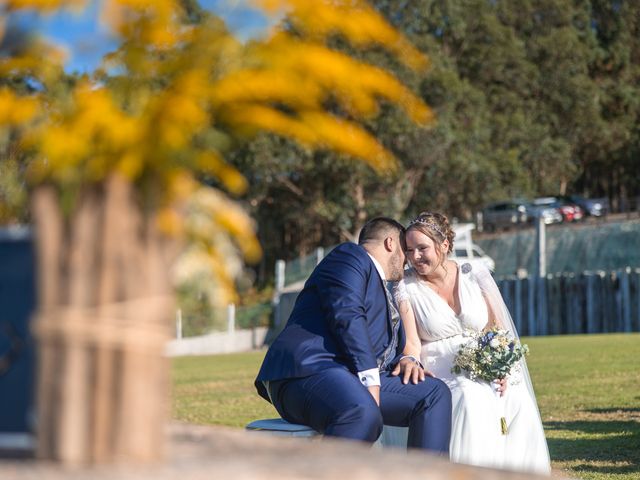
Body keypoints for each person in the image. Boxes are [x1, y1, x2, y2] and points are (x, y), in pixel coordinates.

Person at [255, 217, 452, 453]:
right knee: (361, 413)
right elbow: (347, 314)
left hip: (352, 378)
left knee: (433, 393)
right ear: (390, 243)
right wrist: (371, 381)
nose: (409, 260)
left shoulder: (385, 288)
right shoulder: (350, 257)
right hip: (308, 372)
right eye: (405, 249)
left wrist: (405, 359)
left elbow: (383, 345)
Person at [394, 211, 551, 473]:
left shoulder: (473, 273)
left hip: (484, 360)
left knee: (517, 398)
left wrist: (502, 367)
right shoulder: (406, 287)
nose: (415, 257)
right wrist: (411, 359)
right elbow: (411, 342)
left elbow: (496, 328)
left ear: (443, 245)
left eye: (422, 248)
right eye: (409, 251)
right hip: (441, 367)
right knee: (470, 398)